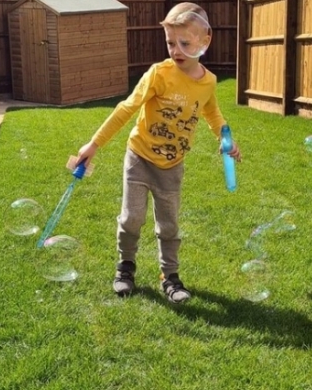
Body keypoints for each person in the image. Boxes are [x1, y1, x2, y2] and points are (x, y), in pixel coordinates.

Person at [73, 2, 241, 304]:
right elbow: (127, 109)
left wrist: (225, 138)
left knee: (169, 225)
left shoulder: (208, 82)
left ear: (205, 40)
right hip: (139, 158)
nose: (175, 50)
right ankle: (125, 268)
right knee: (131, 219)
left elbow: (213, 114)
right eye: (170, 42)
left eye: (184, 43)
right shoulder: (159, 74)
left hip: (172, 166)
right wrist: (94, 144)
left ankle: (170, 276)